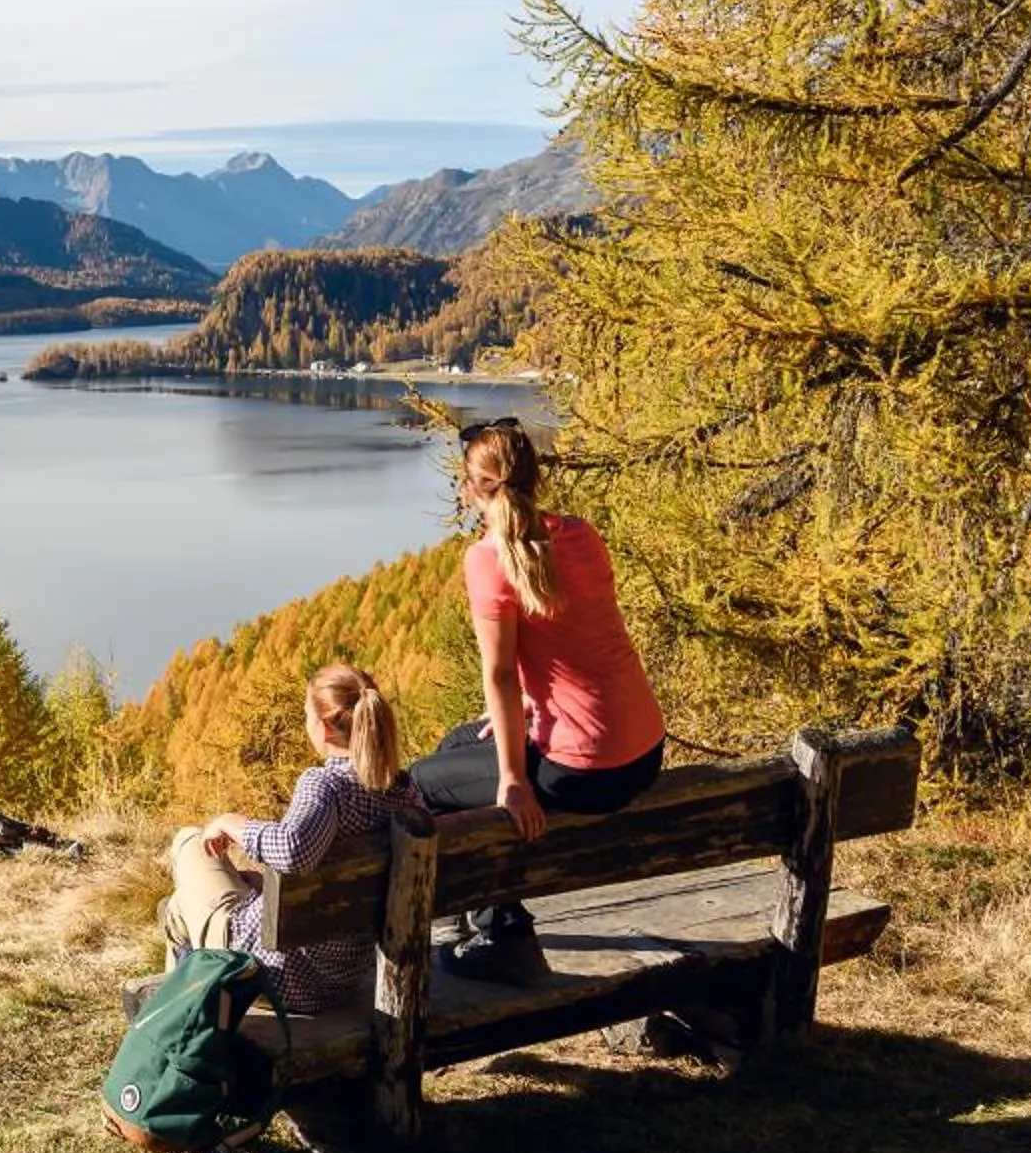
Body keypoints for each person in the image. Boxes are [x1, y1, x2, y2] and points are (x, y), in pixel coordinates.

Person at [411, 417, 667, 983]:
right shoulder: (580, 534)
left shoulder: (487, 559)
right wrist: (534, 704)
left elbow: (499, 674)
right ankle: (484, 916)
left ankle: (504, 936)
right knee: (458, 742)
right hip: (646, 749)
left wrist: (512, 779)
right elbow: (578, 639)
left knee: (421, 785)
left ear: (474, 487)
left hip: (585, 771)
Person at [158, 662, 430, 1014]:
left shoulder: (327, 786)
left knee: (189, 844)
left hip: (274, 974)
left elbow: (292, 851)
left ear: (328, 728)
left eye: (307, 716)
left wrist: (230, 822)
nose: (305, 725)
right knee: (190, 903)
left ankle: (177, 1023)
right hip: (347, 978)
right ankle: (184, 986)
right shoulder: (404, 792)